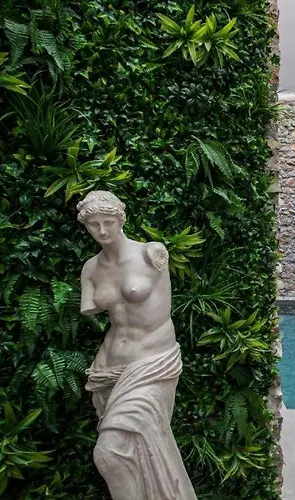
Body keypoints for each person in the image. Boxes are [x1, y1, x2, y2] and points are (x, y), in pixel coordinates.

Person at [78, 190, 196, 499]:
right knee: (126, 455)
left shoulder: (151, 253)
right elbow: (93, 309)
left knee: (109, 453)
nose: (102, 230)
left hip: (152, 364)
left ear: (121, 220)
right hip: (109, 370)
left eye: (108, 222)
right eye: (93, 225)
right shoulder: (91, 268)